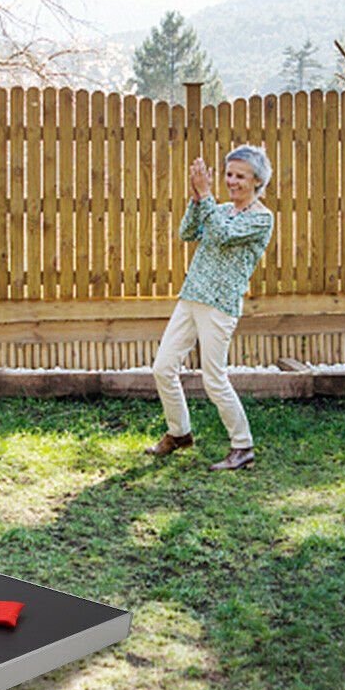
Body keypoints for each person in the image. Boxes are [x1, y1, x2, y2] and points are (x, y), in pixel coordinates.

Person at [145, 145, 275, 471]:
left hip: (219, 306)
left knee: (213, 379)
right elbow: (187, 232)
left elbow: (224, 235)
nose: (231, 181)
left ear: (257, 180)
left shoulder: (261, 218)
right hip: (191, 298)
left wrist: (206, 198)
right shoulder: (219, 208)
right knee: (163, 368)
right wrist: (196, 199)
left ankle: (242, 446)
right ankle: (179, 433)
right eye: (229, 174)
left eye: (240, 176)